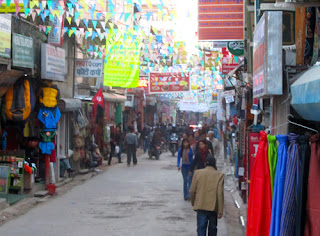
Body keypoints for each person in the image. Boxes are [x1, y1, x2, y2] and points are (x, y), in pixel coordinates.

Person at [190, 156, 224, 236]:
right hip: (213, 207)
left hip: (201, 205)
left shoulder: (197, 173)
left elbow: (192, 191)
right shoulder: (220, 175)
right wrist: (220, 210)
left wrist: (194, 202)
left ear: (205, 163)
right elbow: (219, 193)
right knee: (212, 229)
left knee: (201, 228)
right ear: (214, 164)